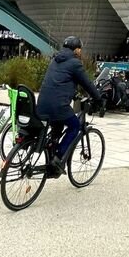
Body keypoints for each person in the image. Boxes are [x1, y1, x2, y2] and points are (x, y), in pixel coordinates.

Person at [36, 36, 102, 176]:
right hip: (58, 106)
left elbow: (59, 82)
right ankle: (58, 158)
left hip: (42, 104)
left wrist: (72, 94)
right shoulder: (74, 63)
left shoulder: (55, 60)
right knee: (75, 126)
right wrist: (98, 99)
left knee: (57, 128)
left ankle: (51, 156)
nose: (80, 51)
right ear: (76, 49)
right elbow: (87, 84)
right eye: (80, 49)